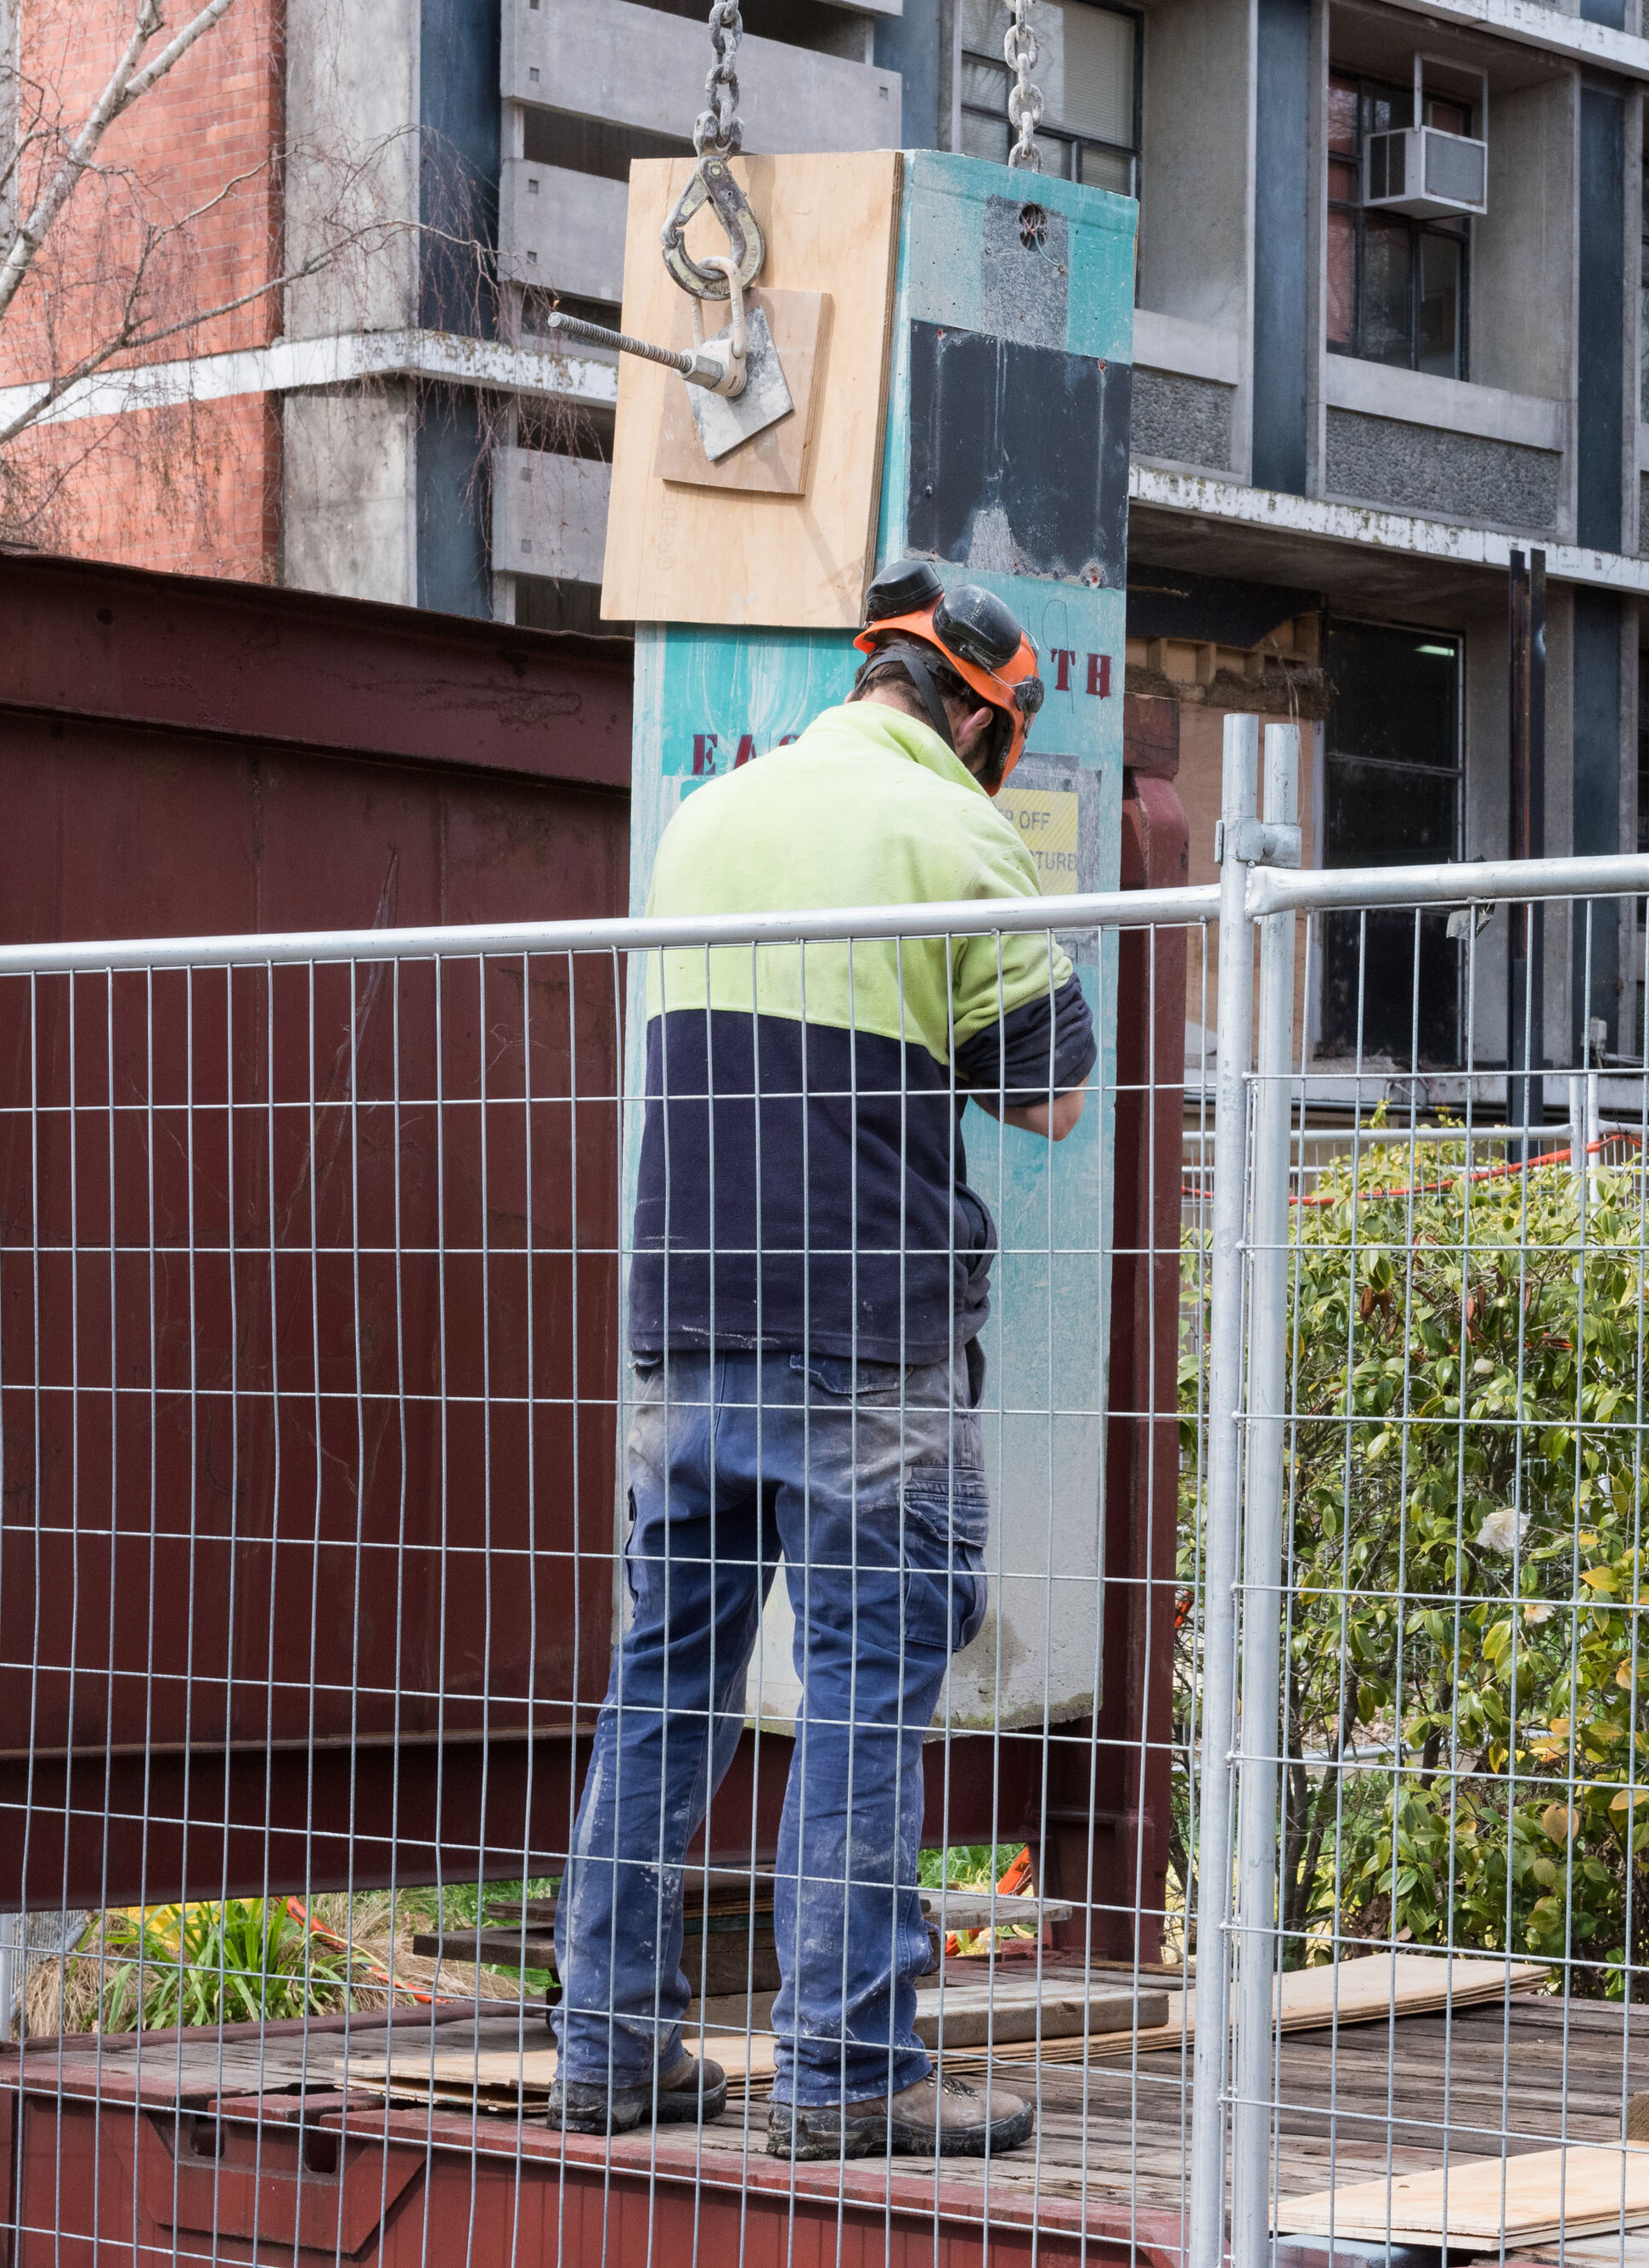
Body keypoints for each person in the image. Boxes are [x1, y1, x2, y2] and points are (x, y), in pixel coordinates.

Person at [549, 562, 1093, 2160]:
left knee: (664, 1679)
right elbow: (1053, 1091)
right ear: (981, 716)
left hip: (685, 1322)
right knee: (863, 1690)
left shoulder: (705, 819)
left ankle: (608, 2043)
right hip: (864, 1330)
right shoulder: (948, 826)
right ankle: (848, 2067)